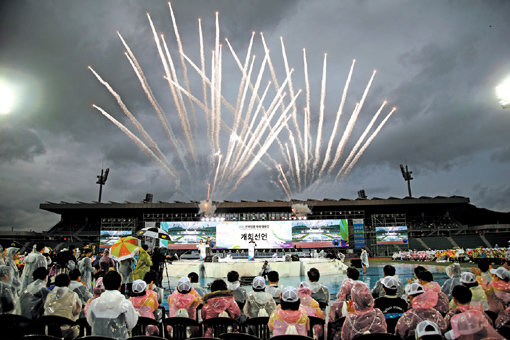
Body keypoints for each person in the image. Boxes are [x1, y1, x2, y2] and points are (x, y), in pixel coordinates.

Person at [86, 271, 138, 340]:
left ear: (104, 285)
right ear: (119, 286)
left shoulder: (94, 303)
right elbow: (132, 324)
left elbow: (90, 322)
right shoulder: (125, 305)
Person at [44, 273, 82, 339]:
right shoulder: (73, 295)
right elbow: (77, 311)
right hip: (67, 331)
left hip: (50, 331)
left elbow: (46, 309)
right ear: (68, 283)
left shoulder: (49, 295)